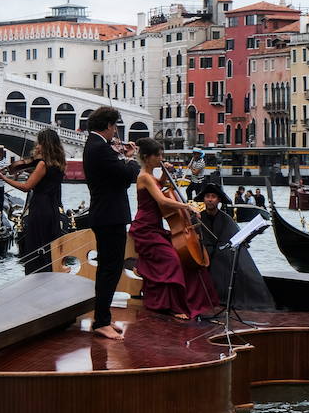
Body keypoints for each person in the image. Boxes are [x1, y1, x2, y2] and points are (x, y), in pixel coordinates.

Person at [131, 138, 217, 321]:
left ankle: (187, 301)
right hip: (145, 229)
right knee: (172, 261)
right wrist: (187, 206)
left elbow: (160, 187)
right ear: (147, 157)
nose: (161, 158)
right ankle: (173, 306)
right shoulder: (144, 177)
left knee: (183, 259)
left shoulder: (152, 177)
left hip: (155, 227)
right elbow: (161, 200)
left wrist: (164, 173)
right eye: (158, 155)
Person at [83, 106, 140, 340]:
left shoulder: (97, 147)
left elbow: (119, 180)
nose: (116, 130)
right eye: (114, 126)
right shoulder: (99, 148)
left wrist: (121, 158)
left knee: (110, 267)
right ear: (108, 126)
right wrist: (131, 159)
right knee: (110, 268)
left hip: (106, 213)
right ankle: (101, 322)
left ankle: (103, 318)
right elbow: (129, 176)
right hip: (109, 215)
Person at [0, 128, 66, 275]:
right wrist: (29, 171)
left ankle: (35, 277)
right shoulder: (59, 163)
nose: (37, 146)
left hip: (40, 207)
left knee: (36, 244)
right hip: (53, 207)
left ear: (45, 144)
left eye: (39, 143)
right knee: (49, 244)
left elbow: (26, 187)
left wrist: (4, 179)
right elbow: (47, 179)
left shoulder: (42, 165)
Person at [197, 184, 275, 311]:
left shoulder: (226, 219)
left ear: (218, 200)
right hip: (202, 256)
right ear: (203, 199)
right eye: (207, 196)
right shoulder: (197, 218)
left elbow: (234, 240)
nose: (210, 199)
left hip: (220, 256)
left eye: (213, 196)